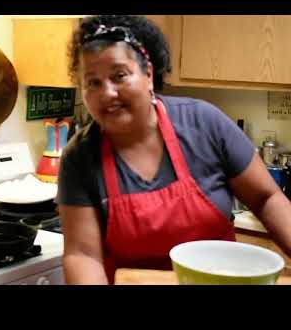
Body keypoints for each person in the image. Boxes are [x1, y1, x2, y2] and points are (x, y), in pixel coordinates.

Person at [56, 15, 291, 285]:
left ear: (148, 74)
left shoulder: (204, 124)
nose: (107, 92)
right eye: (93, 82)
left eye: (119, 75)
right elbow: (83, 255)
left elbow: (265, 198)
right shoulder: (80, 157)